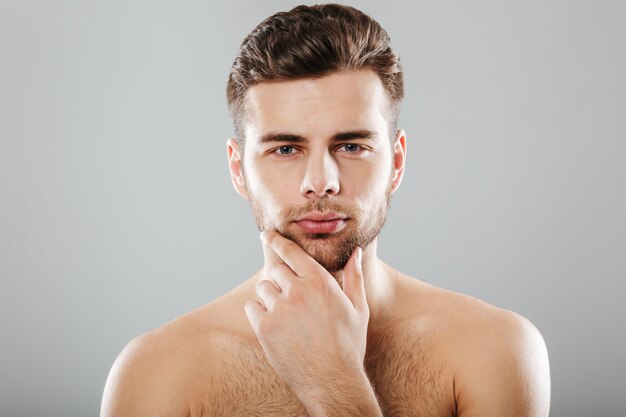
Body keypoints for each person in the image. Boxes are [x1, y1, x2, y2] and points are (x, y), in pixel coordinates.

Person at [100, 4, 551, 416]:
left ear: (396, 162)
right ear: (238, 170)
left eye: (351, 145)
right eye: (285, 149)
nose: (321, 181)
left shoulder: (493, 351)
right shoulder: (158, 373)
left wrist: (334, 383)